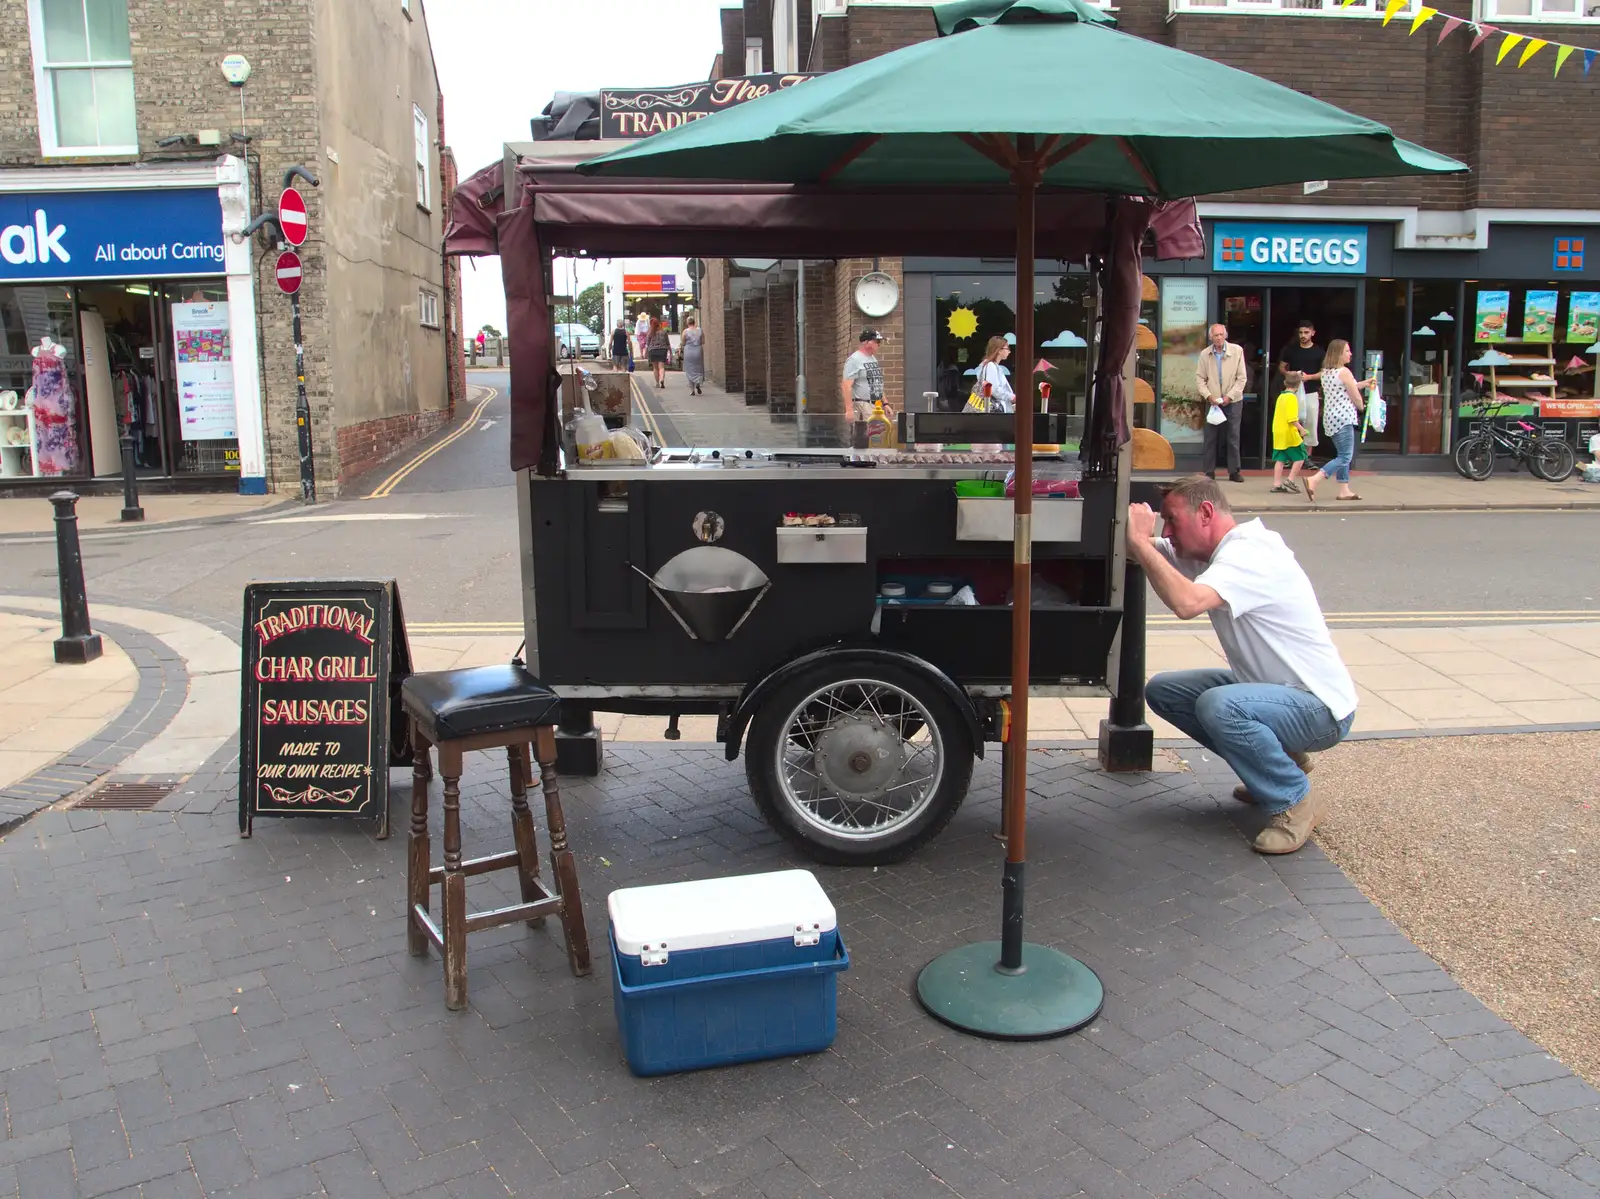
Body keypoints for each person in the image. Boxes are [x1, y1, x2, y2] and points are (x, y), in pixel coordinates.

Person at [1127, 476, 1357, 854]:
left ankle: (1293, 801)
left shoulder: (1250, 555)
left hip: (1319, 709)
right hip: (1278, 693)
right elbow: (1148, 553)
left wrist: (1138, 540)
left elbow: (1186, 603)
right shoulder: (1213, 552)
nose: (1167, 532)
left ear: (1205, 513)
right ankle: (1276, 764)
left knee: (1219, 706)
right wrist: (1130, 533)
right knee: (1165, 691)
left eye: (1172, 520)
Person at [1305, 339, 1373, 503]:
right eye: (1347, 351)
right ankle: (1314, 479)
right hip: (1344, 418)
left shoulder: (1327, 372)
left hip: (1331, 418)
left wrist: (1366, 383)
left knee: (1342, 454)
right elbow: (1354, 395)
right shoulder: (1344, 372)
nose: (1350, 354)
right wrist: (1363, 408)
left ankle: (1344, 490)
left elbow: (1351, 386)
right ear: (1339, 354)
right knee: (1345, 457)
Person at [1195, 323, 1247, 482]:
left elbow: (1242, 378)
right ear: (1211, 337)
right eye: (1215, 335)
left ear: (1225, 335)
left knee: (1233, 436)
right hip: (1213, 401)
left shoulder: (1237, 351)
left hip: (1233, 401)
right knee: (1211, 437)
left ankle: (1234, 471)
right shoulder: (1205, 354)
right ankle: (1209, 471)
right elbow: (1199, 379)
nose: (1218, 338)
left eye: (1221, 335)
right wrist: (1208, 396)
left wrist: (1230, 396)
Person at [1276, 319, 1322, 453]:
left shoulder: (1319, 352)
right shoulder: (1291, 350)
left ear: (1313, 333)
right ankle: (1291, 456)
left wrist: (1309, 377)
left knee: (1311, 424)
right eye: (1301, 332)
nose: (1303, 335)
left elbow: (1324, 372)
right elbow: (1281, 367)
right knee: (1291, 424)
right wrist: (1289, 374)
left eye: (1306, 332)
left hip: (1311, 392)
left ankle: (1307, 457)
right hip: (1292, 392)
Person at [1269, 388, 1309, 494]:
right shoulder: (1291, 397)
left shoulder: (1281, 396)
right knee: (1301, 456)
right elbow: (1292, 419)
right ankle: (1290, 480)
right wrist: (1302, 429)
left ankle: (1276, 484)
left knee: (1280, 459)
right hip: (1290, 433)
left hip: (1278, 432)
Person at [841, 328, 886, 419]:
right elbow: (846, 385)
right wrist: (849, 410)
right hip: (862, 405)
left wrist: (885, 403)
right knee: (862, 433)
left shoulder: (873, 358)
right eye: (876, 341)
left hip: (876, 405)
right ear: (866, 342)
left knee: (877, 433)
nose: (879, 344)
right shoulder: (854, 360)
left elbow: (876, 383)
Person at [965, 335, 1016, 412]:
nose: (1009, 351)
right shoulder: (991, 366)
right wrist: (1012, 397)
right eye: (1007, 348)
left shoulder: (987, 365)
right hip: (993, 409)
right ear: (999, 350)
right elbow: (995, 390)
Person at [681, 316, 706, 395]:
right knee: (698, 368)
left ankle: (692, 390)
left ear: (687, 323)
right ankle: (698, 384)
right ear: (694, 322)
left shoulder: (685, 331)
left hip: (688, 351)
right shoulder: (700, 330)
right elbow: (703, 341)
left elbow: (683, 343)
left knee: (689, 369)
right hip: (698, 350)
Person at [646, 316, 671, 389]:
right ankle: (662, 380)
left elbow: (647, 343)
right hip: (662, 350)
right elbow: (667, 343)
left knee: (655, 368)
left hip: (652, 350)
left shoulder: (650, 333)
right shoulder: (663, 332)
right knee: (661, 367)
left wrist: (645, 353)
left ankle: (657, 383)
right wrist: (670, 352)